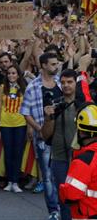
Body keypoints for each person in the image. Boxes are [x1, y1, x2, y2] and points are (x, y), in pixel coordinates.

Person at [21, 52, 62, 220]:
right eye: (53, 64)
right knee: (47, 176)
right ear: (44, 65)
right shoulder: (33, 86)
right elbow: (25, 112)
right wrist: (39, 129)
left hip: (62, 137)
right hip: (43, 138)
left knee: (62, 173)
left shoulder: (61, 83)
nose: (56, 66)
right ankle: (53, 210)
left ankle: (64, 207)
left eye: (57, 63)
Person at [42, 69, 78, 220]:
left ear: (76, 83)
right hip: (59, 157)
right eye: (63, 82)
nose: (66, 85)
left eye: (70, 82)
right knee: (64, 198)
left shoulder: (86, 104)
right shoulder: (55, 104)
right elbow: (45, 135)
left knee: (81, 197)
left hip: (80, 158)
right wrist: (49, 118)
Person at [0, 64, 27, 193]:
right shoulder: (2, 87)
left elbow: (27, 107)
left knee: (18, 152)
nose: (11, 76)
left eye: (14, 73)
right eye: (9, 73)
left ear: (18, 75)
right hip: (5, 124)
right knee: (8, 152)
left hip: (20, 123)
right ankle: (9, 181)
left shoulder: (24, 88)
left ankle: (16, 181)